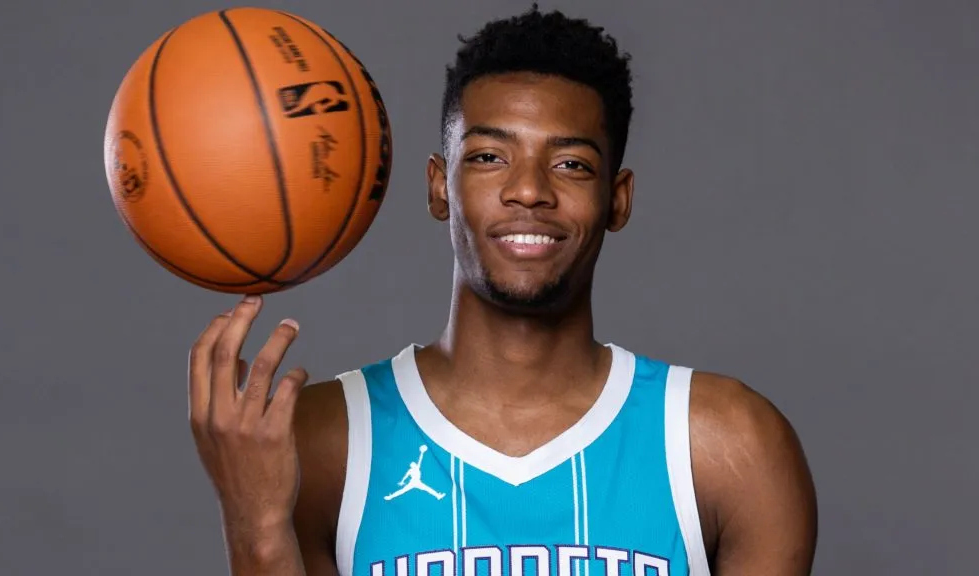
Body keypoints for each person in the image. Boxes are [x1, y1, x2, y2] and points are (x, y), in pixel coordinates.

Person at [186, 6, 818, 576]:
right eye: (489, 157)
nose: (528, 191)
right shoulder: (324, 441)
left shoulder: (727, 447)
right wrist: (255, 524)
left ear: (617, 200)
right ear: (440, 187)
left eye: (570, 164)